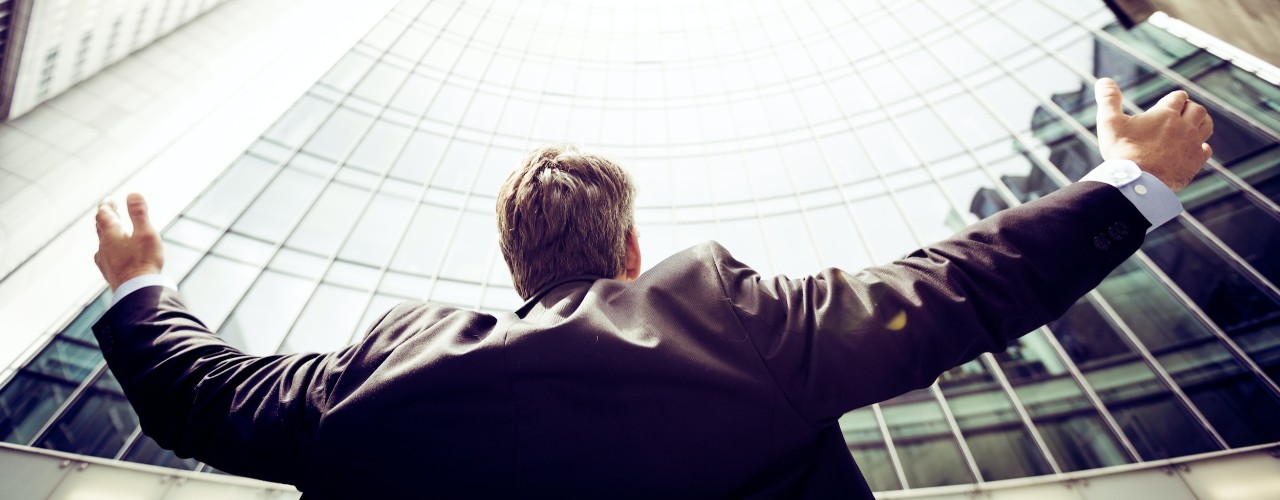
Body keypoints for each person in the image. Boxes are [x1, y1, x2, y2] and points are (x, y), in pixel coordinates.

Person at [91, 78, 1212, 498]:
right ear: (628, 252)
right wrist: (1128, 182)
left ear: (516, 270)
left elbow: (200, 394)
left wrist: (141, 285)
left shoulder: (377, 377)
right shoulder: (718, 315)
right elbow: (957, 286)